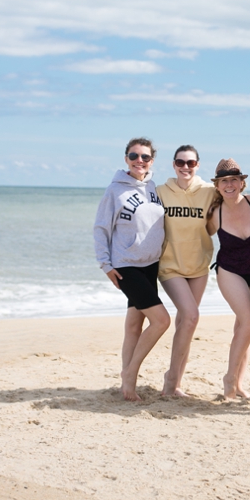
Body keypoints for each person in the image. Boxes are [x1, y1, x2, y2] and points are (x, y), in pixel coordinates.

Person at [93, 138, 171, 401]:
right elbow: (101, 228)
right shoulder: (114, 191)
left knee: (134, 326)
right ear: (126, 158)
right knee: (162, 321)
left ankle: (127, 386)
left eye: (145, 157)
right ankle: (130, 374)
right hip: (126, 266)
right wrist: (105, 265)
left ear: (152, 160)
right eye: (134, 156)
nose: (140, 161)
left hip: (150, 265)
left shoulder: (153, 188)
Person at [155, 145, 216, 397]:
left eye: (191, 163)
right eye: (181, 162)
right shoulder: (159, 192)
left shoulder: (209, 192)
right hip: (169, 265)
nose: (185, 167)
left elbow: (219, 220)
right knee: (191, 317)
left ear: (198, 165)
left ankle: (176, 382)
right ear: (173, 164)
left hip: (199, 266)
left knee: (186, 323)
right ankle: (171, 381)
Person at [207, 158, 250, 399]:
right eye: (223, 181)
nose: (229, 185)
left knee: (244, 327)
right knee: (249, 322)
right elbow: (188, 235)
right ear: (217, 186)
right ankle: (229, 377)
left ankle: (238, 384)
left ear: (242, 183)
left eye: (233, 180)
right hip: (229, 271)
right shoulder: (214, 214)